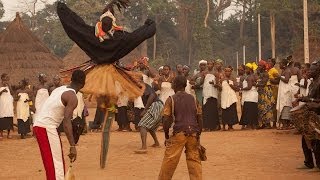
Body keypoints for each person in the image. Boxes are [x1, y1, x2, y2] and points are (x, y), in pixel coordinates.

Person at [33, 70, 86, 180]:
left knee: (52, 163)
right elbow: (66, 122)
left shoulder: (59, 89)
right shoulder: (72, 97)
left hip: (40, 125)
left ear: (71, 79)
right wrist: (72, 146)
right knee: (56, 166)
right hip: (47, 127)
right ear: (83, 84)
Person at [159, 75, 202, 180]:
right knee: (194, 161)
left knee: (169, 161)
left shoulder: (171, 99)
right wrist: (198, 134)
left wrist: (166, 136)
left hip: (178, 133)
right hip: (193, 133)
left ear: (175, 85)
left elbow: (166, 120)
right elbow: (199, 117)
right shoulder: (193, 98)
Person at [296, 60, 320, 169]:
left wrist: (310, 101)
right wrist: (304, 99)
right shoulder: (312, 83)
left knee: (316, 141)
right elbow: (313, 98)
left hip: (317, 114)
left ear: (318, 71)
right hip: (310, 113)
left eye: (312, 70)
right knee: (305, 139)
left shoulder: (319, 83)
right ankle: (309, 162)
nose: (309, 72)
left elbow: (318, 101)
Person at [135, 83, 164, 153]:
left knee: (142, 125)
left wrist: (145, 110)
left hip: (155, 105)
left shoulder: (142, 85)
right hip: (158, 106)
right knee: (151, 127)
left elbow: (152, 95)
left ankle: (144, 147)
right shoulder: (141, 86)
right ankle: (156, 143)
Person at [239, 62, 259, 130]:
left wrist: (242, 89)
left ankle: (249, 125)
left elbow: (249, 87)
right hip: (253, 96)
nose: (245, 70)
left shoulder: (249, 77)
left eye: (246, 69)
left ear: (250, 70)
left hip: (250, 96)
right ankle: (253, 125)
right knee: (252, 110)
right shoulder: (253, 76)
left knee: (249, 110)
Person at [257, 60, 275, 129]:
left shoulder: (266, 73)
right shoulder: (260, 73)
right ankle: (263, 124)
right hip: (261, 92)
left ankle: (268, 124)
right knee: (261, 107)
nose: (259, 66)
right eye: (258, 65)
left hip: (266, 92)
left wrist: (256, 84)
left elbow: (263, 83)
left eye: (260, 65)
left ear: (264, 67)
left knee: (266, 107)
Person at [202, 60, 220, 131]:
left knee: (213, 110)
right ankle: (206, 126)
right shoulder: (204, 73)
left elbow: (218, 85)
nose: (209, 65)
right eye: (208, 64)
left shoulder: (216, 73)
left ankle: (214, 126)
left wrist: (214, 83)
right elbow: (202, 82)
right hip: (206, 93)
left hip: (213, 94)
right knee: (206, 110)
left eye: (211, 64)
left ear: (213, 65)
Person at [276, 58, 292, 130]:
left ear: (284, 65)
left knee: (285, 106)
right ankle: (284, 124)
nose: (279, 65)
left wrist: (279, 77)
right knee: (282, 106)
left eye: (281, 64)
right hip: (283, 91)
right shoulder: (284, 71)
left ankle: (286, 125)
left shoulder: (287, 71)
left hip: (286, 91)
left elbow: (286, 80)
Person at [0, 73, 14, 139]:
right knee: (2, 117)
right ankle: (1, 134)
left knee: (9, 117)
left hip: (8, 103)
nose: (7, 79)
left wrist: (8, 86)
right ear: (2, 78)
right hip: (2, 103)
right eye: (6, 77)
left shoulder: (8, 85)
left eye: (7, 77)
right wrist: (2, 91)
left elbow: (12, 93)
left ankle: (9, 133)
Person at [267, 58, 280, 128]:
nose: (268, 62)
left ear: (273, 63)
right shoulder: (268, 70)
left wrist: (271, 80)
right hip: (269, 89)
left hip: (274, 89)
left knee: (273, 105)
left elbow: (278, 80)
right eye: (267, 61)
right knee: (270, 106)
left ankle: (274, 124)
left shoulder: (274, 70)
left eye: (269, 61)